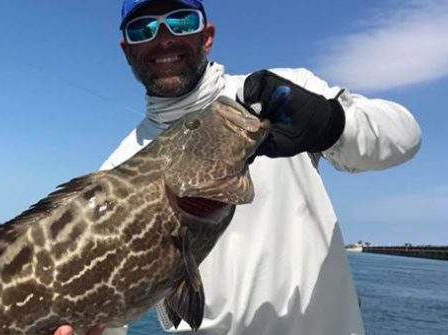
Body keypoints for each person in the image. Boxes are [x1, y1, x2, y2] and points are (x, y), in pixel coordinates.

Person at [56, 0, 421, 334]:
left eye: (181, 21)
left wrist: (332, 124)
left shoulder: (276, 96)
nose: (164, 38)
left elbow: (405, 136)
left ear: (207, 35)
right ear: (126, 50)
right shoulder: (116, 169)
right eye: (143, 29)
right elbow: (107, 304)